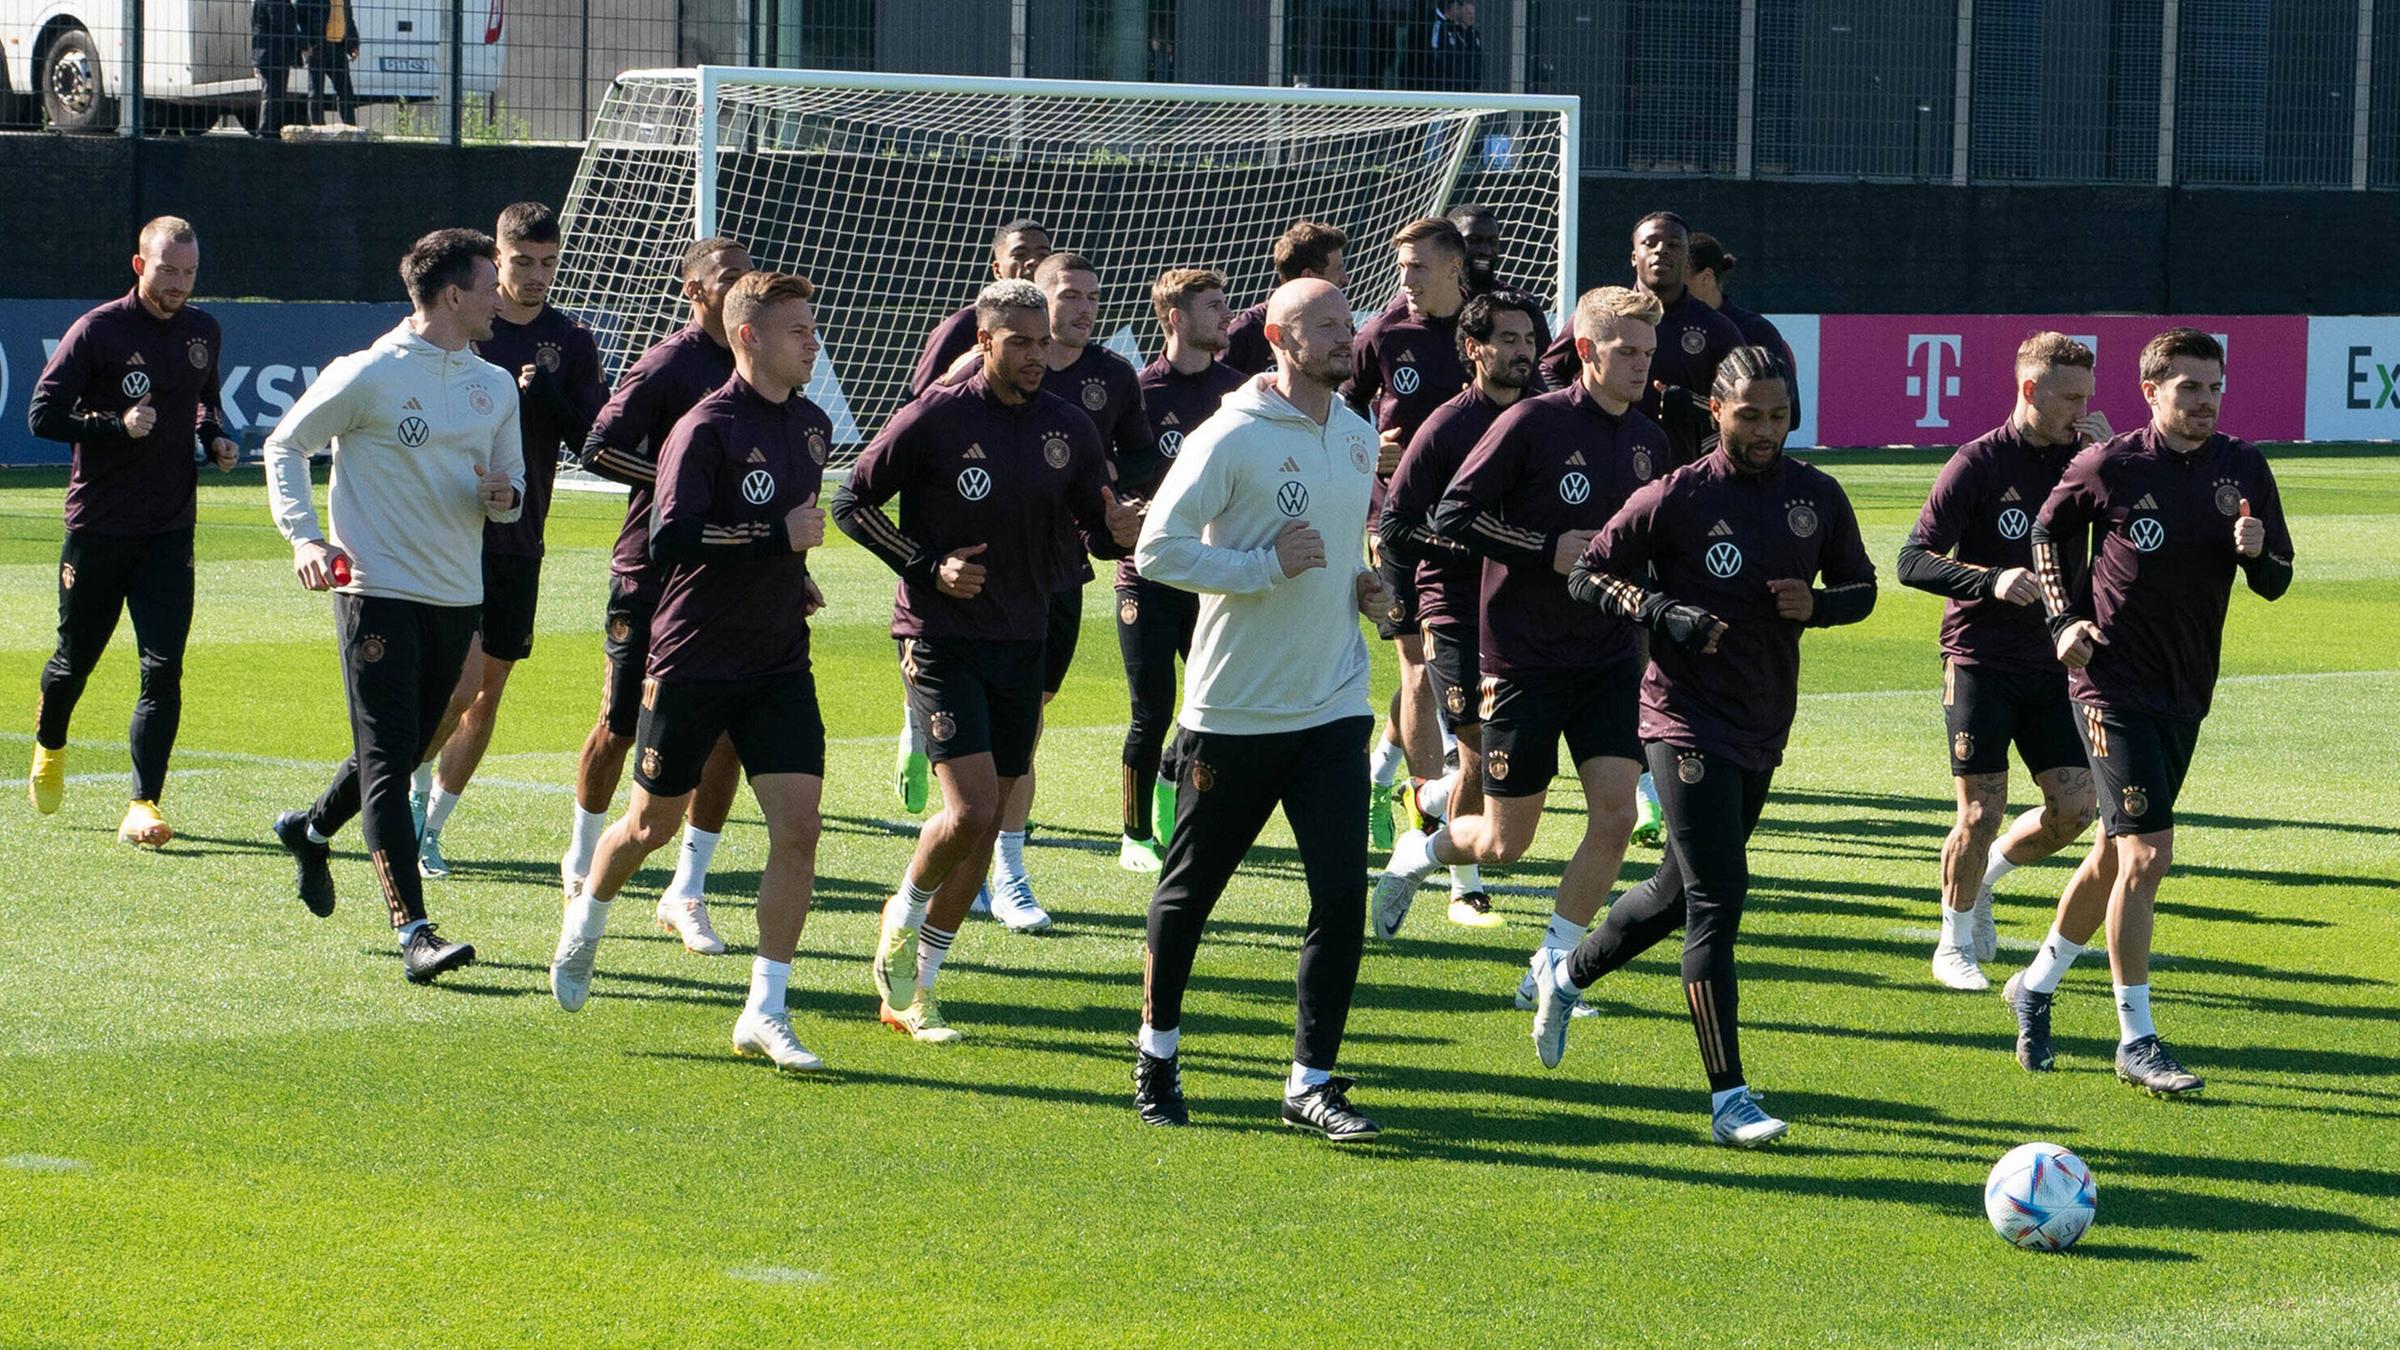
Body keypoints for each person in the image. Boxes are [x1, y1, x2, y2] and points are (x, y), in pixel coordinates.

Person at [1532, 346, 1876, 1148]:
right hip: (1681, 720)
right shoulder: (1675, 496)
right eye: (1749, 415)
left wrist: (1818, 607)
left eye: (1778, 415)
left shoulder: (1816, 495)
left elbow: (1860, 588)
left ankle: (1566, 974)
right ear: (1716, 411)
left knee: (1676, 893)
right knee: (1720, 897)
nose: (1765, 430)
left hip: (1762, 721)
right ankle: (1730, 1100)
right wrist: (1663, 612)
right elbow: (1589, 574)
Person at [831, 279, 1139, 1044]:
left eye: (1043, 343)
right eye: (1020, 343)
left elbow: (1094, 531)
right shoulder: (936, 416)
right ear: (985, 341)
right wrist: (927, 565)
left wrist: (1119, 531)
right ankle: (901, 917)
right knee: (969, 809)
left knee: (990, 817)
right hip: (939, 636)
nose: (1036, 356)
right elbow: (851, 503)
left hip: (1023, 637)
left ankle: (919, 985)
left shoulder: (1068, 425)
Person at [548, 273, 837, 1074]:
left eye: (812, 327)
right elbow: (670, 539)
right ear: (749, 336)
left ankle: (765, 1010)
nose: (812, 342)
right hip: (694, 657)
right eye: (797, 330)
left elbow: (785, 535)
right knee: (650, 827)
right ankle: (586, 920)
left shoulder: (813, 426)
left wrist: (793, 573)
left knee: (800, 831)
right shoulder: (704, 426)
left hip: (778, 660)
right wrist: (772, 537)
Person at [1130, 277, 1392, 1141]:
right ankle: (1157, 1052)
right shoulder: (1230, 435)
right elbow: (1157, 550)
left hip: (1334, 707)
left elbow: (1338, 553)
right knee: (1189, 895)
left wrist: (1365, 587)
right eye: (1324, 325)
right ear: (1278, 338)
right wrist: (1261, 569)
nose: (1345, 336)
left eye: (1347, 322)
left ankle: (1309, 1083)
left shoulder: (1357, 435)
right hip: (1235, 712)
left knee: (1341, 900)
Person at [2015, 327, 2293, 1096]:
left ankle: (2036, 985)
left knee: (2115, 853)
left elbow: (2276, 580)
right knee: (2147, 856)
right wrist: (2062, 620)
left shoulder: (2243, 467)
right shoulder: (2110, 464)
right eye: (2188, 388)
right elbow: (2046, 531)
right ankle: (2136, 1039)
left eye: (2214, 387)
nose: (2204, 402)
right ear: (2151, 392)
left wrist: (2256, 551)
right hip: (2109, 685)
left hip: (2185, 692)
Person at [1373, 287, 1664, 985]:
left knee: (1616, 817)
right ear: (1587, 350)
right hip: (1523, 657)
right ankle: (1421, 854)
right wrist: (1544, 549)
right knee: (1506, 842)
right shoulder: (1532, 422)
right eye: (1627, 351)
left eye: (1649, 353)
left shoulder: (1650, 439)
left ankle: (1554, 967)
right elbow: (1452, 514)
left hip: (1607, 656)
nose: (1641, 365)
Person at [264, 228, 524, 984]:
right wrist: (305, 537)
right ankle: (414, 930)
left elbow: (511, 488)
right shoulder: (369, 372)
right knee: (388, 759)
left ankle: (312, 830)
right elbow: (285, 445)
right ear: (453, 294)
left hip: (457, 594)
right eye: (489, 287)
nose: (500, 300)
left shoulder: (495, 385)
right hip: (373, 590)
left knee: (406, 747)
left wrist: (503, 495)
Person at [940, 251, 1155, 930]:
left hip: (1058, 576)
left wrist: (1114, 493)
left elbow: (1140, 459)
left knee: (1023, 727)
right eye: (1069, 295)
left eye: (1093, 296)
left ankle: (996, 865)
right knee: (988, 739)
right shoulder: (972, 376)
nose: (1084, 309)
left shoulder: (1112, 377)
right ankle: (992, 866)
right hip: (978, 582)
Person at [405, 203, 609, 879]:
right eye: (522, 262)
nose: (536, 276)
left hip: (518, 537)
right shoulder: (463, 324)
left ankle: (430, 825)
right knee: (447, 684)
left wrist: (552, 398)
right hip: (445, 532)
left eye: (549, 262)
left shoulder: (570, 340)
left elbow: (596, 443)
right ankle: (403, 797)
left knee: (483, 692)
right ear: (497, 258)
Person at [1896, 333, 2105, 991]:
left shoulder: (2090, 461)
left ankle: (1984, 878)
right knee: (1981, 813)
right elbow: (1911, 559)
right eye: (2069, 398)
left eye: (2087, 398)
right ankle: (1952, 945)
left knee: (2075, 811)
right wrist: (1989, 580)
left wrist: (2115, 464)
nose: (2081, 411)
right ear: (2029, 390)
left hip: (2056, 662)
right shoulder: (1977, 463)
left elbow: (2129, 541)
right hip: (1980, 660)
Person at [563, 236, 752, 954]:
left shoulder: (760, 358)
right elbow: (598, 446)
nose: (740, 283)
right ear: (694, 291)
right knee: (619, 725)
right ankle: (582, 859)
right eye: (726, 275)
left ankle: (687, 889)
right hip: (650, 571)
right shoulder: (671, 363)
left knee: (726, 737)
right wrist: (680, 482)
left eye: (747, 272)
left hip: (729, 579)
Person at [25, 216, 237, 845]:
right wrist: (114, 425)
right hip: (99, 528)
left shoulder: (203, 329)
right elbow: (42, 415)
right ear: (139, 265)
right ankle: (50, 744)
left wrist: (215, 437)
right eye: (168, 270)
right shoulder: (98, 330)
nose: (179, 284)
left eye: (189, 272)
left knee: (163, 668)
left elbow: (205, 400)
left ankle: (143, 803)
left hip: (169, 532)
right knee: (73, 662)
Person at [1538, 210, 1745, 846]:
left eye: (1673, 244)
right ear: (1633, 255)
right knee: (1619, 617)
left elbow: (1743, 410)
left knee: (1670, 625)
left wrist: (1695, 414)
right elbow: (1546, 372)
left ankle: (1667, 759)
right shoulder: (1603, 316)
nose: (1662, 252)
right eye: (1650, 243)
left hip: (1683, 502)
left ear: (1688, 256)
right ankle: (1642, 773)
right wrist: (1584, 419)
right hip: (1604, 492)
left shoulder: (1714, 329)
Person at [1369, 287, 1544, 926]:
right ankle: (1463, 887)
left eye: (1529, 340)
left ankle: (1426, 804)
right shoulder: (1446, 425)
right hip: (1454, 611)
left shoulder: (1547, 416)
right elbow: (1395, 523)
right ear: (1474, 349)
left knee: (1502, 757)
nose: (1523, 351)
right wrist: (1470, 545)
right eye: (1508, 339)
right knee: (1476, 750)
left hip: (1522, 612)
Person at [893, 217, 1054, 813]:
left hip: (1038, 573)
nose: (1032, 263)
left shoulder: (1067, 342)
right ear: (996, 265)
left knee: (1029, 715)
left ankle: (1002, 840)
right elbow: (921, 410)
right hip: (952, 579)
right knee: (973, 799)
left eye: (1042, 253)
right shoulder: (964, 329)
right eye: (1020, 254)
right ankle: (919, 727)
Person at [1347, 217, 1472, 849]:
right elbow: (1338, 407)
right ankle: (1428, 819)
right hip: (1398, 521)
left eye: (1418, 266)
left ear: (1454, 267)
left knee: (1454, 664)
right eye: (1401, 267)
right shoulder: (1383, 333)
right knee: (1418, 665)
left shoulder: (1491, 327)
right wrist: (1368, 447)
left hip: (1477, 525)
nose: (1406, 279)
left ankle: (1381, 774)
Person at [1119, 267, 1248, 872]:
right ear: (1175, 318)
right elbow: (1109, 475)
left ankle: (1178, 784)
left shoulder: (1241, 393)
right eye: (1214, 306)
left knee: (1215, 703)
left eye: (1225, 304)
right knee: (1151, 712)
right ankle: (1134, 834)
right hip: (1147, 578)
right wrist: (1131, 508)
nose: (1227, 316)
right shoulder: (1139, 394)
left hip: (1212, 574)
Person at [1684, 232, 1796, 423]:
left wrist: (1691, 405)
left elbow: (1791, 414)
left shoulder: (1756, 331)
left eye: (1678, 278)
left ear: (1706, 277)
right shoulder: (1657, 328)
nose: (1668, 286)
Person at [1224, 221, 1350, 377]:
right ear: (1308, 276)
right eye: (1338, 269)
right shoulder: (1246, 331)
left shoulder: (1343, 328)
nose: (1345, 279)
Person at [296, 0, 359, 127]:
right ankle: (317, 128)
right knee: (316, 90)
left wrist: (353, 45)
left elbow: (348, 19)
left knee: (346, 91)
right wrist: (306, 43)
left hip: (338, 47)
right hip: (317, 47)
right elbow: (299, 19)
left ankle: (350, 128)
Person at [250, 1, 304, 138]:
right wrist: (303, 44)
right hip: (275, 53)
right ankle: (266, 133)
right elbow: (284, 24)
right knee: (274, 95)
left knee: (271, 94)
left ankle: (268, 131)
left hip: (266, 52)